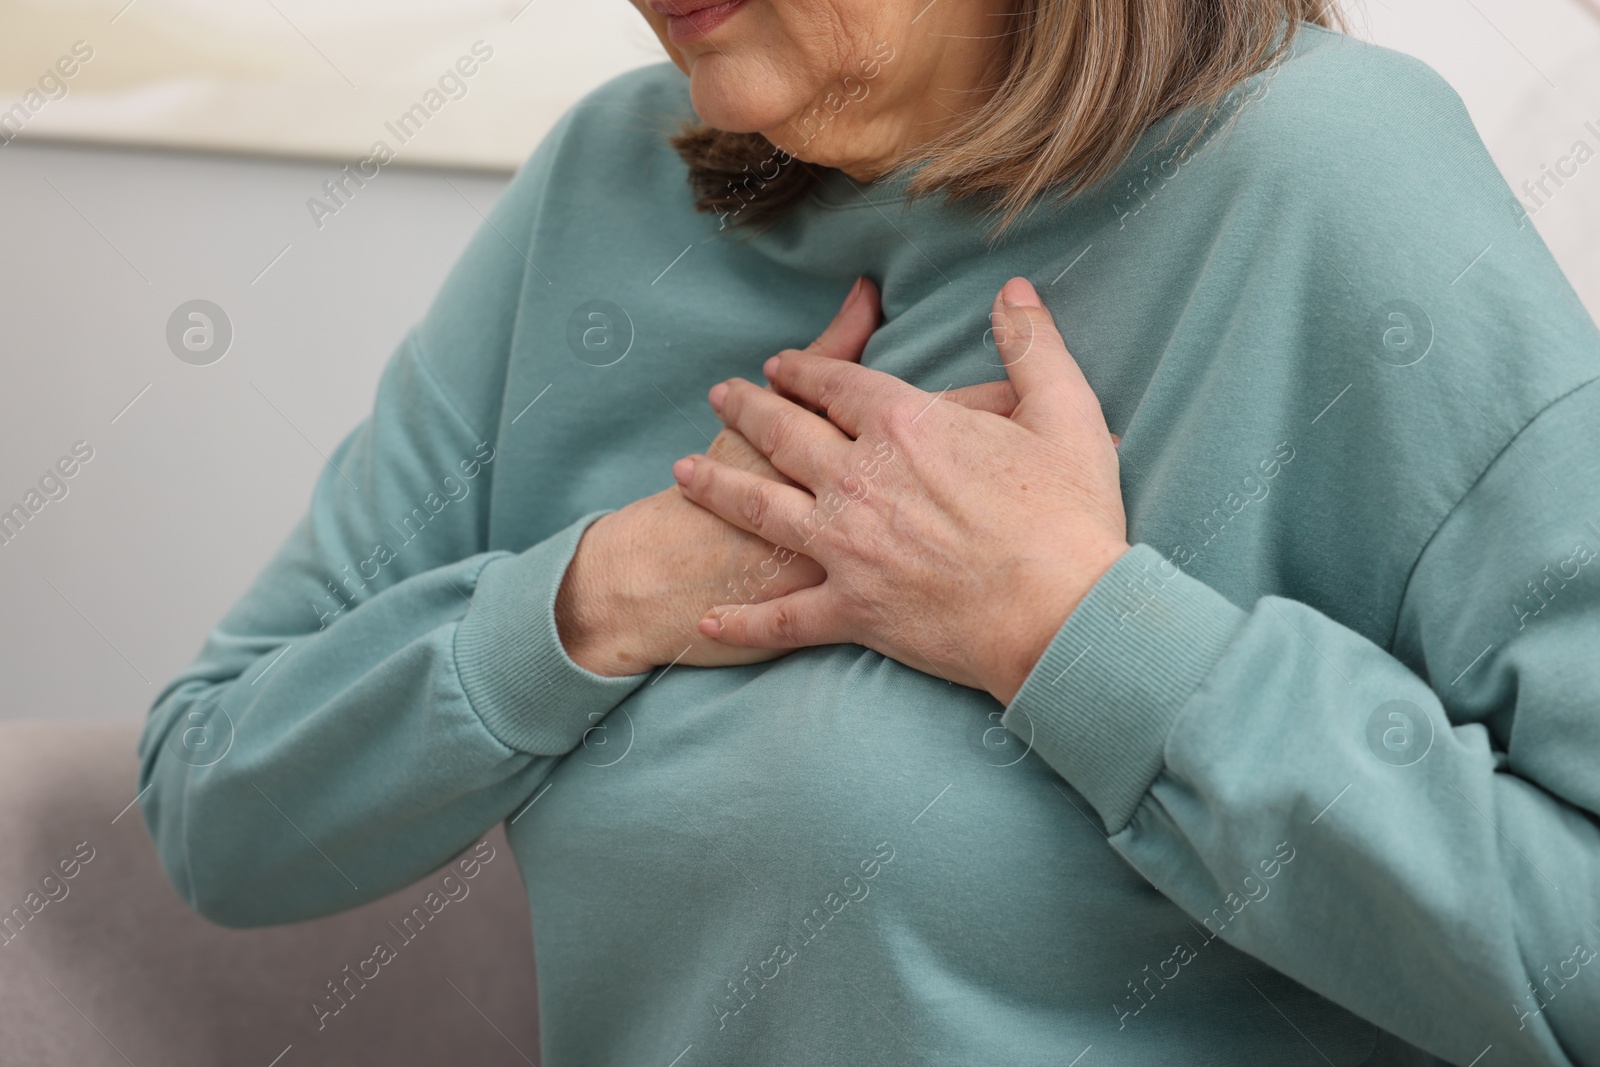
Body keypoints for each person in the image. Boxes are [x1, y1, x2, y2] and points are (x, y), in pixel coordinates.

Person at [139, 1, 1600, 1063]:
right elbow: (219, 804)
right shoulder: (608, 184)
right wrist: (609, 592)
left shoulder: (1330, 176)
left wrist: (1078, 635)